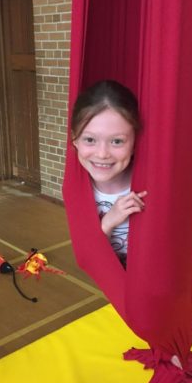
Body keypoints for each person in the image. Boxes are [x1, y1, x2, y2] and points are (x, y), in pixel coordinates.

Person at [71, 80, 147, 268]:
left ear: (135, 143)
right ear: (75, 140)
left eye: (117, 141)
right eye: (90, 139)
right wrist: (108, 222)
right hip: (112, 273)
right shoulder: (77, 188)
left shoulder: (147, 183)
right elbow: (90, 255)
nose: (102, 154)